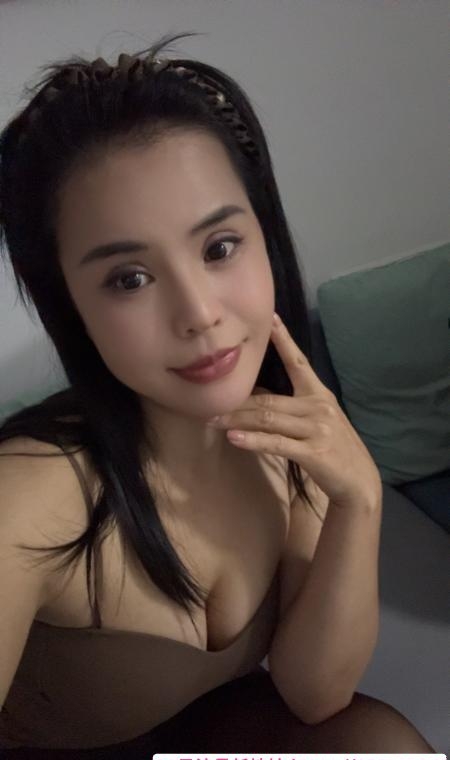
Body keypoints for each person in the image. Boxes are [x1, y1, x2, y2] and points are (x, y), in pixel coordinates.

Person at [0, 31, 436, 758]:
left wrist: (360, 501)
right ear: (69, 304)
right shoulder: (29, 497)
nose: (199, 312)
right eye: (129, 279)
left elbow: (315, 695)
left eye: (219, 247)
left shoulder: (294, 444)